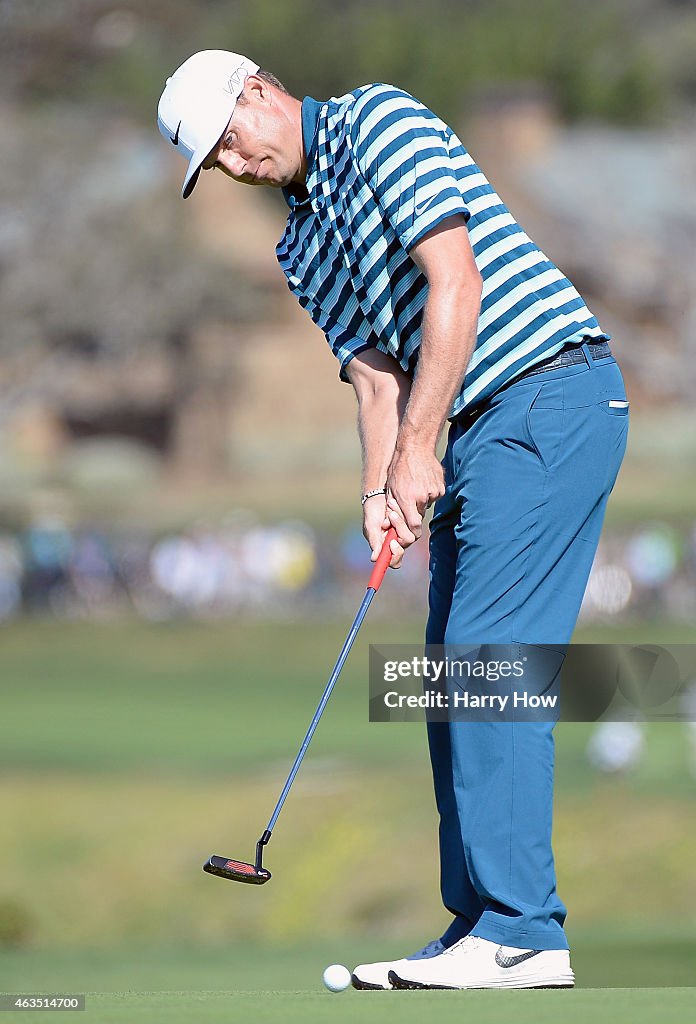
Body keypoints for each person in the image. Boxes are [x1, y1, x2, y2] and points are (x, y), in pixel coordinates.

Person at [157, 49, 629, 991]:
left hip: (545, 393)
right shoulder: (297, 243)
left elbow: (454, 282)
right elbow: (376, 374)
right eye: (210, 162)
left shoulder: (379, 121)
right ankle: (479, 925)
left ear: (257, 90)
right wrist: (380, 488)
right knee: (447, 667)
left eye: (226, 140)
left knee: (488, 656)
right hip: (470, 429)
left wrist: (421, 449)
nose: (230, 164)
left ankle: (525, 931)